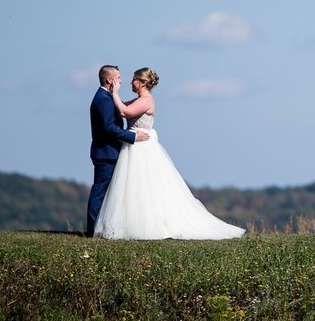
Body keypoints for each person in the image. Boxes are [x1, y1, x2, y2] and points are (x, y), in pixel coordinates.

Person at [93, 67, 246, 240]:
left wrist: (114, 93)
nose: (130, 82)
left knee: (145, 187)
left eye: (134, 79)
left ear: (142, 83)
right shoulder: (138, 100)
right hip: (133, 147)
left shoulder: (146, 100)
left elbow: (124, 111)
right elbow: (121, 106)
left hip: (142, 148)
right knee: (132, 187)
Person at [87, 65, 149, 237]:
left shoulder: (107, 97)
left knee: (110, 193)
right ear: (109, 80)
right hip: (106, 153)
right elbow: (109, 128)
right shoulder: (104, 99)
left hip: (110, 152)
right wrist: (133, 137)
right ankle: (93, 230)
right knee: (100, 192)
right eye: (118, 77)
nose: (121, 81)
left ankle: (103, 228)